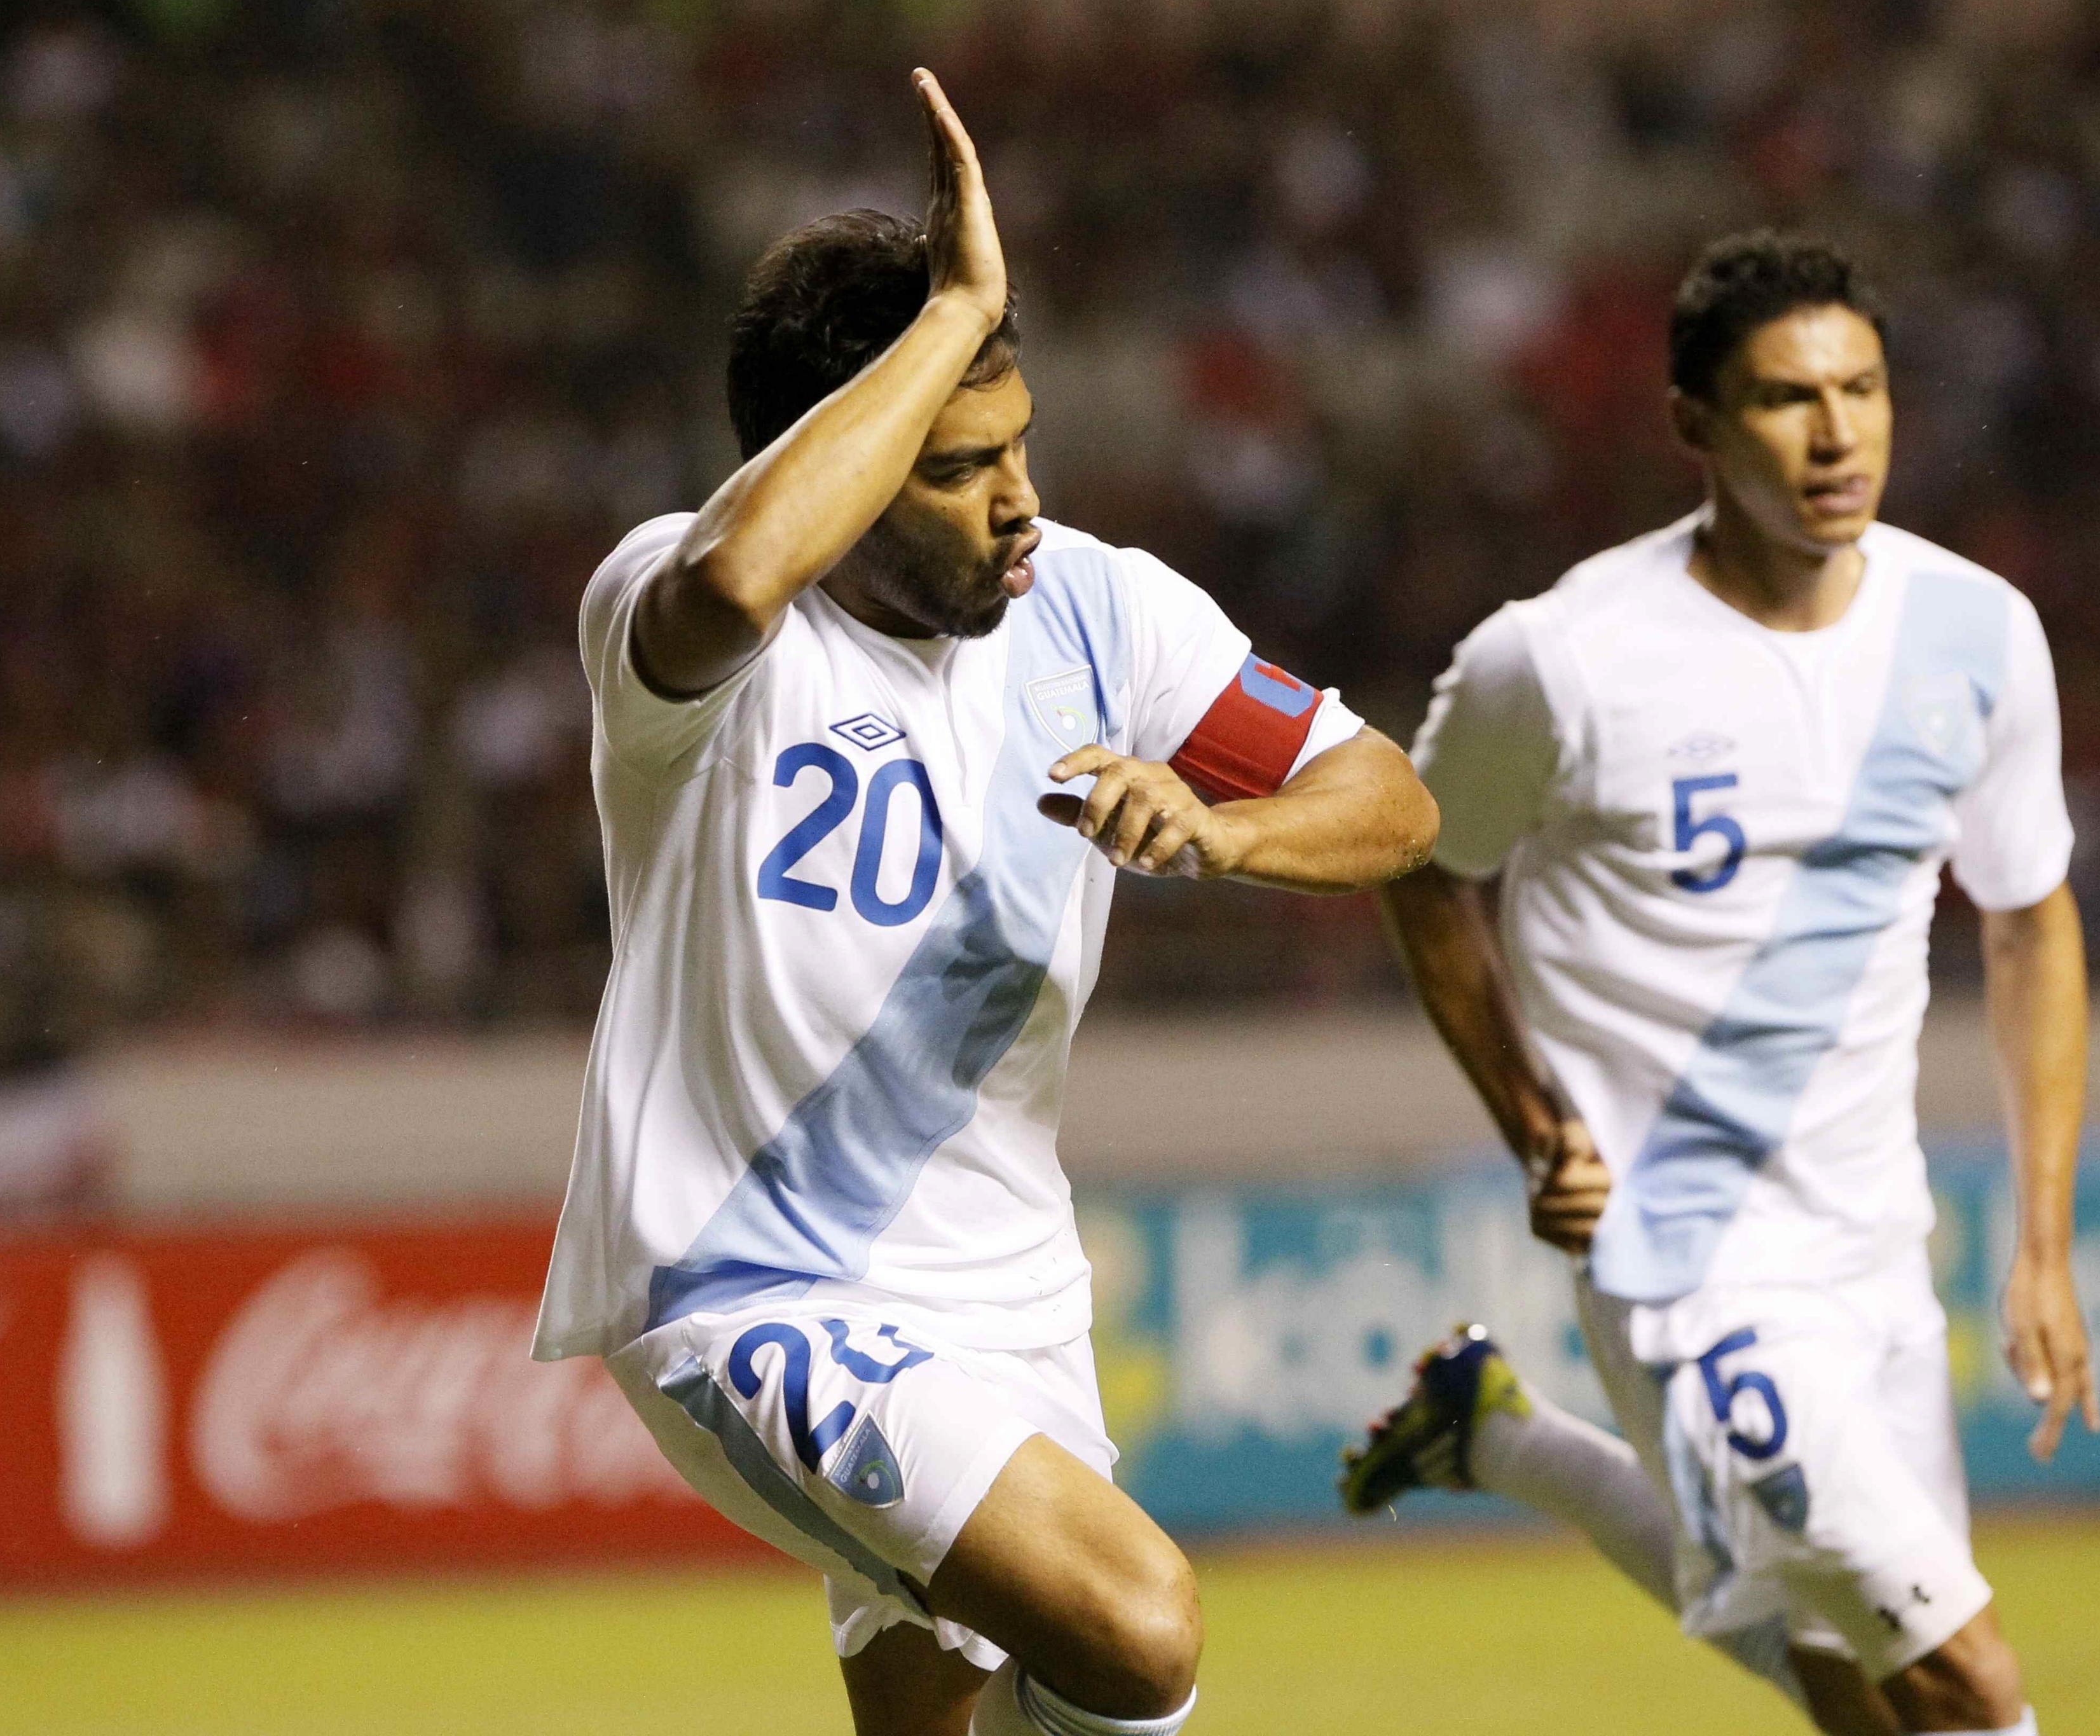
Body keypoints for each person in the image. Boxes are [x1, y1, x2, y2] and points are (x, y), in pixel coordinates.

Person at [533, 70, 1436, 1736]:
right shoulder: (689, 622)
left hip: (1008, 1300)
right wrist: (955, 301)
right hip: (754, 1290)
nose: (1018, 497)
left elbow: (1393, 795)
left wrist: (1230, 836)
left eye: (1019, 444)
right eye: (955, 464)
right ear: (846, 465)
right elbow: (743, 570)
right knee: (1142, 1624)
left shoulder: (1098, 609)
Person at [1339, 232, 2098, 1736]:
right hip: (1679, 1254)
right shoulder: (1559, 662)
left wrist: (2042, 1240)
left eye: (1861, 390)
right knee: (1965, 1682)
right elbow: (1422, 867)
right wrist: (1534, 1126)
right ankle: (1510, 1441)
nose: (1834, 434)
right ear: (1692, 424)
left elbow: (2026, 918)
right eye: (1782, 399)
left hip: (1874, 1246)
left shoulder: (1973, 637)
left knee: (1863, 1700)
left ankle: (1503, 1440)